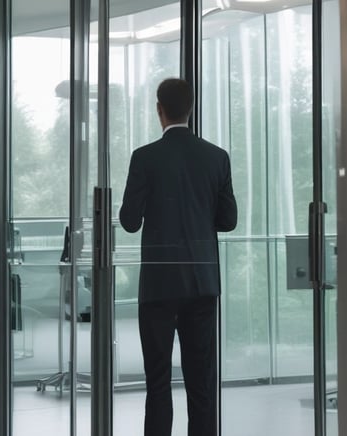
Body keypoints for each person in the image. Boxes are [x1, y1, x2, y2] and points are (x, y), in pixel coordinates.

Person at [119, 78, 238, 436]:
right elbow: (228, 221)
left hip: (158, 286)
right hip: (202, 285)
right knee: (200, 382)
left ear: (160, 110)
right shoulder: (217, 157)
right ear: (191, 108)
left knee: (157, 382)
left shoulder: (144, 157)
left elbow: (129, 221)